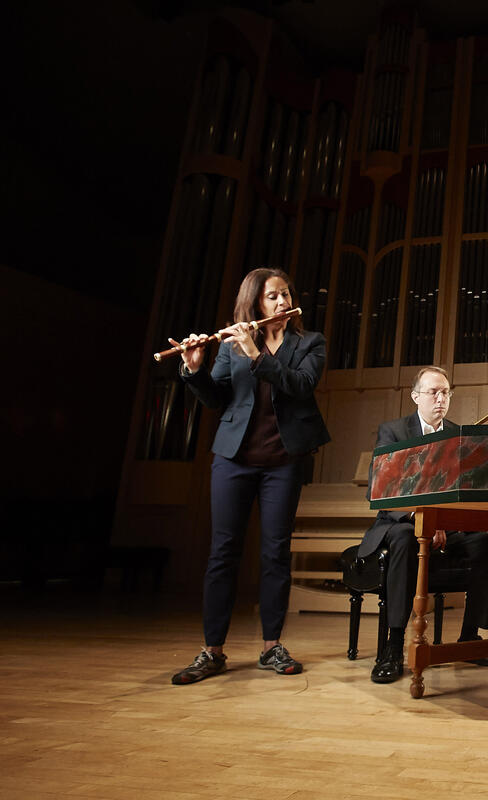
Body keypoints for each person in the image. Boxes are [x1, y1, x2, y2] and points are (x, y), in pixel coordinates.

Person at [169, 267, 331, 685]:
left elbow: (300, 385)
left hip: (284, 460)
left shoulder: (309, 343)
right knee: (223, 553)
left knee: (275, 552)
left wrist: (257, 355)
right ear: (255, 302)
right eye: (272, 296)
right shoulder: (232, 344)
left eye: (285, 294)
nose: (281, 301)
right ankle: (212, 650)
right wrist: (194, 369)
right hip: (233, 459)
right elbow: (217, 400)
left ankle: (271, 646)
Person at [359, 366, 488, 684]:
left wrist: (451, 519)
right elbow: (384, 486)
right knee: (404, 539)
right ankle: (394, 645)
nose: (440, 398)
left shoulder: (458, 434)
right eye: (433, 392)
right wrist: (421, 518)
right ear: (416, 397)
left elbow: (466, 486)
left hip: (447, 526)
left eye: (445, 392)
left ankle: (469, 638)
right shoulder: (394, 432)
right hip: (402, 521)